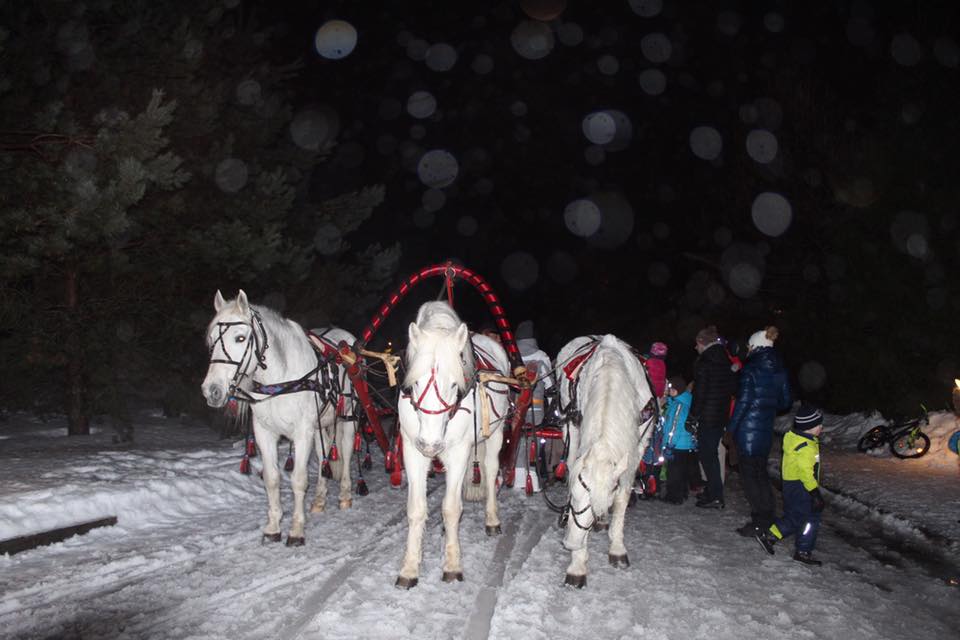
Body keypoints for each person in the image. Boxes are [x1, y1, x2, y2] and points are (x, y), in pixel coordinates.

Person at [727, 326, 792, 536]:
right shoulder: (779, 369)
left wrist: (731, 429)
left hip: (747, 431)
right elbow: (786, 402)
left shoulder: (751, 369)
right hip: (765, 431)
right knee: (761, 475)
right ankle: (768, 517)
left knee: (750, 478)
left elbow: (743, 403)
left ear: (754, 346)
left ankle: (760, 521)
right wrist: (767, 407)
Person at [756, 404, 826, 566]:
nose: (821, 428)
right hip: (801, 486)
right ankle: (778, 539)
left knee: (800, 516)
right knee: (805, 517)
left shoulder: (797, 439)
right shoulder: (805, 447)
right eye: (818, 425)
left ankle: (800, 548)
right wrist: (814, 492)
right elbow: (805, 472)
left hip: (793, 485)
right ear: (809, 427)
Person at [689, 325, 739, 508]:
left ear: (702, 343)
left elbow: (700, 393)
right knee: (710, 455)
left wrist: (693, 416)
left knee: (707, 456)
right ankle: (712, 491)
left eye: (697, 344)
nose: (695, 347)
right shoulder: (724, 360)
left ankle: (716, 495)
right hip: (720, 416)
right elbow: (733, 388)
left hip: (707, 416)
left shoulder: (705, 362)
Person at [661, 376, 699, 504]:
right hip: (684, 444)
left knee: (674, 472)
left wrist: (670, 444)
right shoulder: (681, 402)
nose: (670, 391)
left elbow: (675, 426)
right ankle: (682, 493)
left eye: (673, 389)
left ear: (679, 390)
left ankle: (674, 497)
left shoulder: (679, 406)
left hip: (677, 445)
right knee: (681, 471)